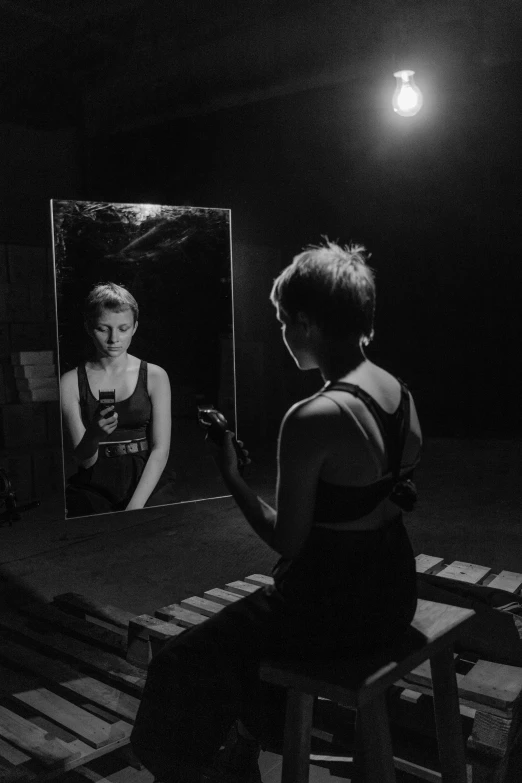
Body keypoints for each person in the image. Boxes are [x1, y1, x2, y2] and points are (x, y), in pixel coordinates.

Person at [130, 241, 422, 782]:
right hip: (394, 590)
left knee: (179, 661)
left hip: (334, 605)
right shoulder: (399, 395)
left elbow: (289, 540)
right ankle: (244, 744)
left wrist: (233, 479)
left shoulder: (313, 415)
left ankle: (201, 770)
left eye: (285, 320)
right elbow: (360, 505)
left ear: (308, 324)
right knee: (241, 643)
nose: (283, 332)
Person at [60, 282, 171, 517]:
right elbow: (85, 462)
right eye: (103, 328)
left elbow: (161, 449)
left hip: (146, 481)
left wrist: (134, 507)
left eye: (123, 328)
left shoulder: (154, 376)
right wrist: (94, 435)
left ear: (135, 327)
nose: (114, 339)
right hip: (94, 486)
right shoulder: (70, 382)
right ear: (89, 328)